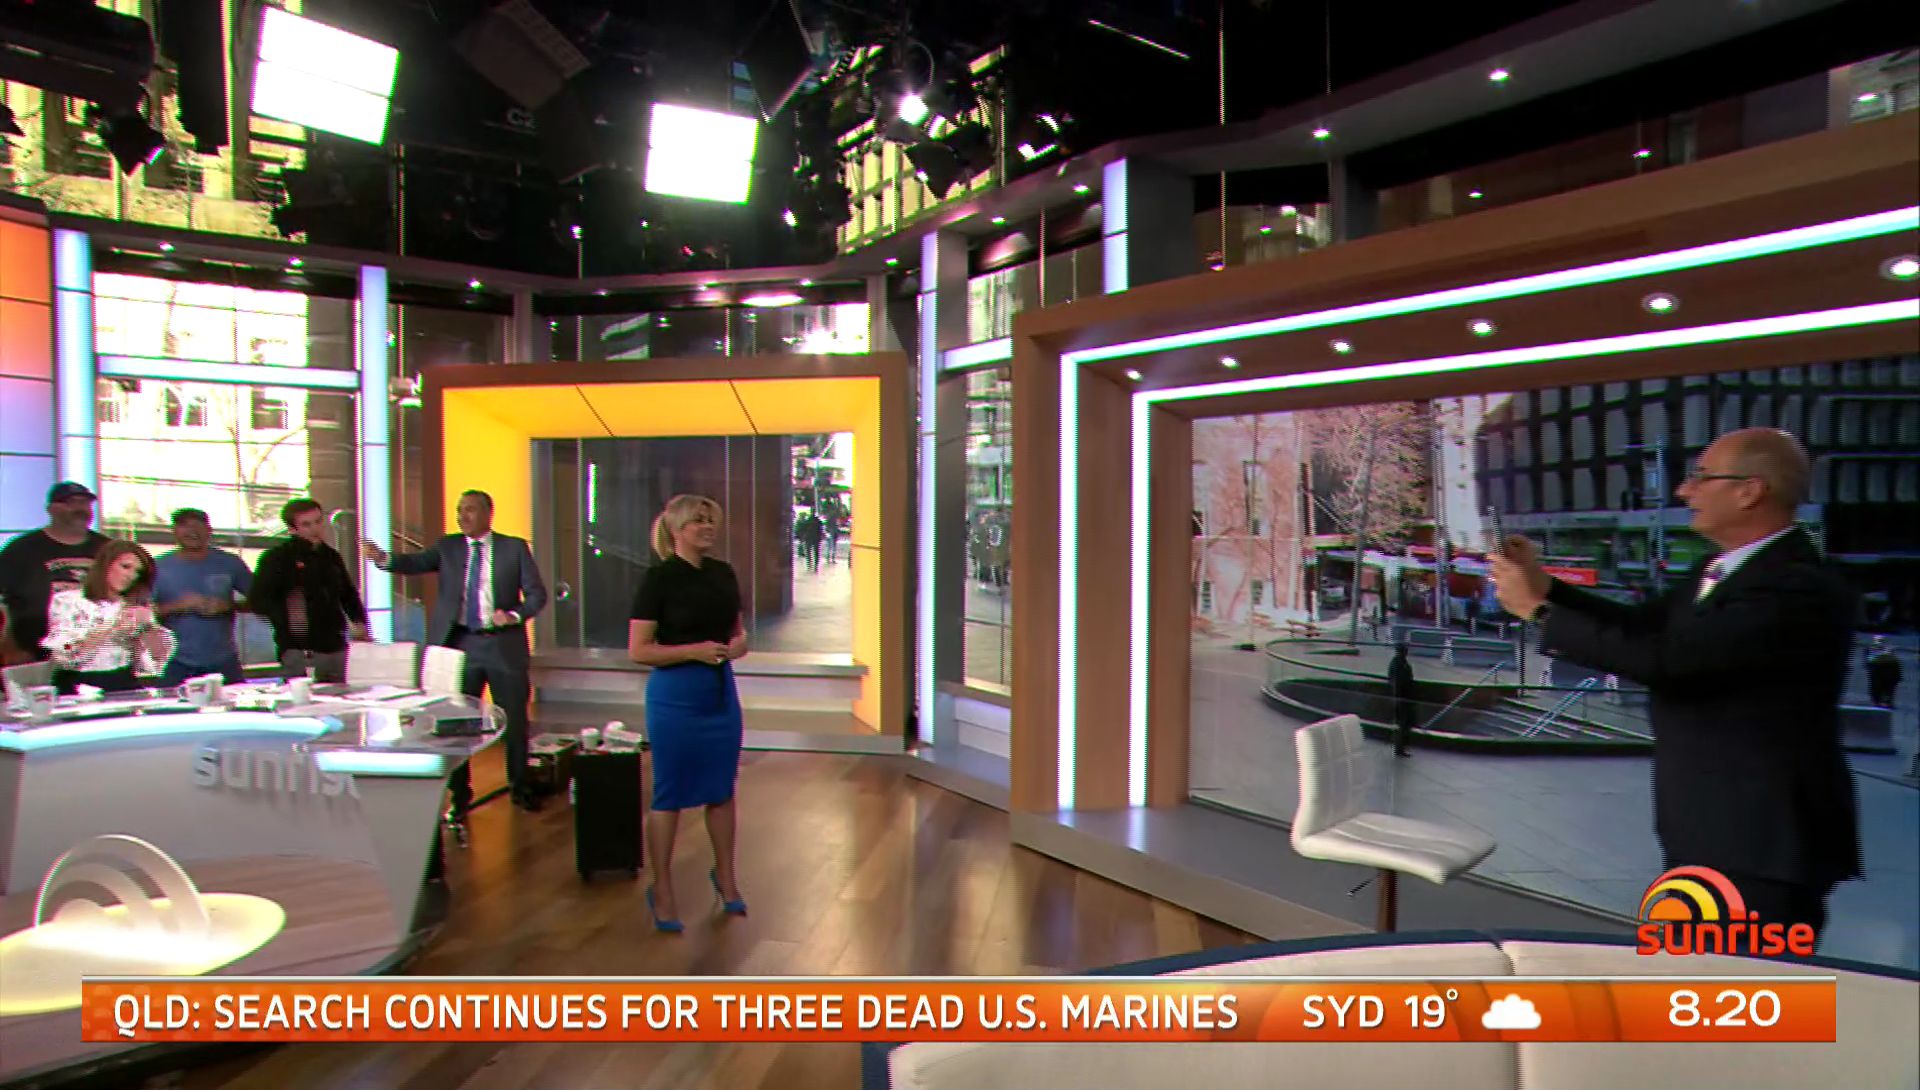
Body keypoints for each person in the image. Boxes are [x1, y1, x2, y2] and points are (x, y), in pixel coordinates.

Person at [1491, 427, 1859, 941]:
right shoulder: (1725, 569)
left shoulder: (1796, 586)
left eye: (1702, 477)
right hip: (1715, 829)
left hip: (1760, 842)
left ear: (1749, 491)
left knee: (1746, 983)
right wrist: (1546, 588)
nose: (1685, 491)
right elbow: (1643, 627)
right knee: (1697, 975)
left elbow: (1669, 659)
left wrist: (1537, 611)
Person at [366, 490, 548, 815]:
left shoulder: (514, 548)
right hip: (460, 644)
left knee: (514, 721)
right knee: (458, 722)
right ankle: (460, 794)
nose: (462, 516)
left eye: (470, 510)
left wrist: (514, 615)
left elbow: (537, 595)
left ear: (489, 513)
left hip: (502, 645)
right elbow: (416, 562)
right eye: (459, 510)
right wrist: (383, 558)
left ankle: (520, 788)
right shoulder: (448, 547)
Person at [628, 494, 749, 933]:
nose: (708, 527)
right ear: (677, 528)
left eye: (711, 520)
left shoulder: (723, 574)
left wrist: (738, 646)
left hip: (719, 694)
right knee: (670, 793)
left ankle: (727, 878)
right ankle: (662, 889)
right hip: (675, 697)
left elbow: (738, 632)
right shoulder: (658, 579)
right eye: (698, 520)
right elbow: (640, 650)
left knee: (721, 789)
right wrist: (693, 651)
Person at [249, 498, 366, 683]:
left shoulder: (331, 556)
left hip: (335, 644)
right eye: (306, 525)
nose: (315, 529)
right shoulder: (277, 558)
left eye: (318, 522)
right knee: (303, 694)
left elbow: (348, 594)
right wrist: (287, 617)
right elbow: (258, 600)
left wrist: (359, 621)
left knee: (340, 692)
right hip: (299, 648)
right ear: (292, 529)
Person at [41, 539, 175, 693]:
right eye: (125, 567)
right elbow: (65, 651)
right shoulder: (68, 601)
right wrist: (112, 628)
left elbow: (153, 662)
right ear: (106, 564)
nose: (131, 576)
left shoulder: (135, 607)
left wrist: (148, 628)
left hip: (120, 682)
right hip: (75, 683)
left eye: (138, 572)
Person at [0, 482, 111, 666]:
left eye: (85, 503)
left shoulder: (109, 549)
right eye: (71, 502)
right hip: (35, 657)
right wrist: (10, 648)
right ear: (51, 509)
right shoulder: (21, 550)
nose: (80, 509)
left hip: (100, 656)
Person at [153, 509, 254, 686]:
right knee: (171, 704)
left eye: (198, 526)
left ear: (209, 530)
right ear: (174, 531)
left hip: (224, 660)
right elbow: (138, 614)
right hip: (174, 663)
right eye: (185, 526)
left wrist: (228, 606)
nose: (192, 531)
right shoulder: (157, 567)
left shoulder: (230, 563)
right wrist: (178, 606)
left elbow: (262, 600)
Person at [1388, 641, 1417, 757]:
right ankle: (1400, 748)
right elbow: (1398, 682)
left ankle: (1400, 747)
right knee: (1402, 723)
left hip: (1401, 698)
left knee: (1402, 723)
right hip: (1402, 698)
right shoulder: (1400, 664)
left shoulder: (1398, 662)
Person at [1865, 637, 1901, 709]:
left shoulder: (1873, 651)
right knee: (1885, 690)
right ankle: (1884, 702)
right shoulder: (1887, 652)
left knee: (1880, 689)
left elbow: (1869, 663)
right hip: (1885, 675)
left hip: (1882, 674)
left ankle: (1881, 702)